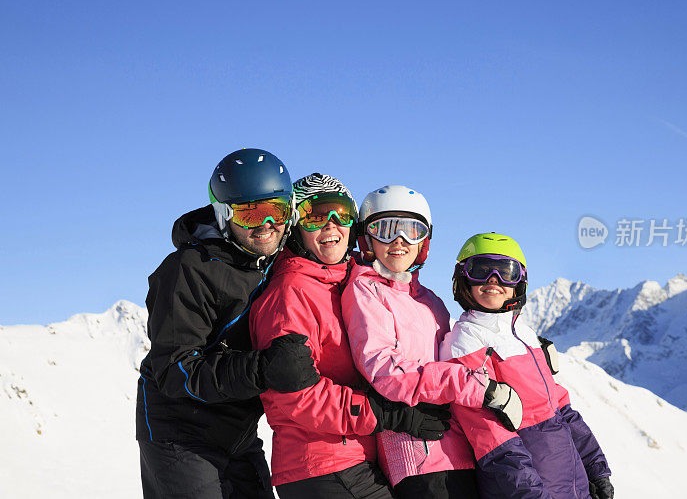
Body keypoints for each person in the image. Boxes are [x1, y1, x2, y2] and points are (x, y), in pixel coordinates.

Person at [249, 174, 450, 499]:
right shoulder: (290, 294)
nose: (330, 225)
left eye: (340, 213)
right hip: (320, 465)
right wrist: (383, 413)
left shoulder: (350, 283)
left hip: (358, 459)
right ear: (295, 228)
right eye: (314, 215)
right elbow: (297, 397)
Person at [136, 149, 321, 499]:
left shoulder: (277, 262)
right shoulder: (187, 270)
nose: (266, 225)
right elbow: (175, 369)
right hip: (180, 431)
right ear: (223, 215)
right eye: (249, 213)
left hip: (238, 431)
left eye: (276, 210)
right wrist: (263, 369)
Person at [341, 185, 523, 499]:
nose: (399, 241)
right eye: (384, 229)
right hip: (417, 456)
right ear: (367, 238)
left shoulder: (431, 301)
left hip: (462, 449)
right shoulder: (365, 290)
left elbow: (460, 357)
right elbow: (384, 369)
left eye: (412, 230)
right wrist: (473, 386)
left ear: (424, 241)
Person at [441, 233, 614, 499]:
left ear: (519, 282)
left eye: (506, 273)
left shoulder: (524, 334)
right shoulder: (464, 341)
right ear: (463, 278)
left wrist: (596, 470)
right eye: (481, 270)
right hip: (525, 488)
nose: (493, 280)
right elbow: (489, 435)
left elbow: (561, 408)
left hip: (571, 482)